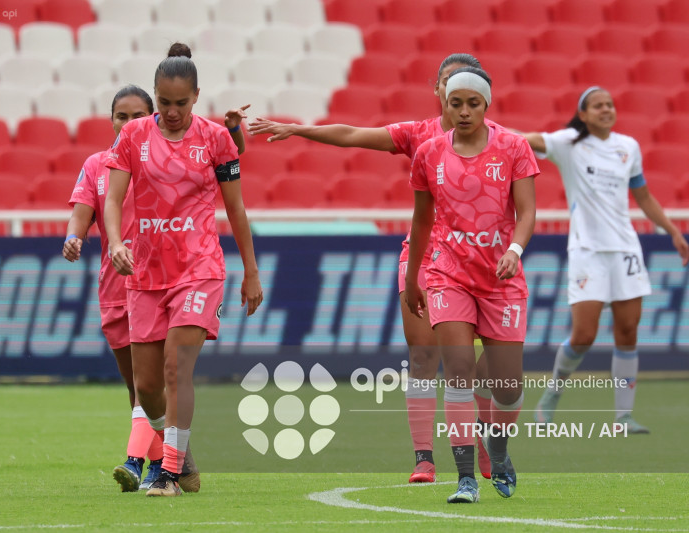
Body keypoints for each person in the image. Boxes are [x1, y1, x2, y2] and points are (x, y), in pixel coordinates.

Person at [248, 53, 496, 484]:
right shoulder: (419, 135)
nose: (454, 94)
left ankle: (486, 442)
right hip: (425, 258)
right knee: (423, 356)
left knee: (473, 363)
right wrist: (298, 129)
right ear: (437, 90)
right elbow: (351, 134)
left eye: (464, 86)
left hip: (478, 261)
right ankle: (424, 458)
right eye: (447, 83)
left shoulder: (499, 143)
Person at [64, 84, 249, 492]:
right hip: (128, 284)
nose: (128, 122)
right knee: (142, 388)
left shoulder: (180, 144)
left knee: (173, 369)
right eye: (120, 115)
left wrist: (235, 134)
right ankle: (174, 452)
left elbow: (224, 163)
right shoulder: (102, 162)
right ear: (111, 119)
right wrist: (85, 239)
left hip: (188, 271)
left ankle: (153, 466)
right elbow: (88, 211)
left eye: (136, 115)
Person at [104, 43, 263, 497]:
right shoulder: (133, 136)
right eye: (165, 102)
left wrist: (250, 271)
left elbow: (235, 208)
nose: (172, 112)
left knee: (177, 367)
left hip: (199, 268)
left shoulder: (215, 139)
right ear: (155, 96)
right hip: (145, 272)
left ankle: (168, 473)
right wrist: (116, 242)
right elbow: (113, 199)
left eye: (181, 103)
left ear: (196, 97)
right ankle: (182, 454)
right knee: (148, 387)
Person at [521, 86, 689, 434]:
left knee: (627, 331)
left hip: (625, 250)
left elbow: (642, 195)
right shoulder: (568, 143)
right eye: (597, 106)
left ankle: (623, 416)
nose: (605, 110)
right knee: (584, 334)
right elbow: (529, 140)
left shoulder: (628, 147)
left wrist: (671, 230)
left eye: (609, 105)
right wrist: (483, 128)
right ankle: (551, 394)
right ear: (582, 114)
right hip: (587, 251)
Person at [405, 66, 538, 503]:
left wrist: (514, 251)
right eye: (455, 102)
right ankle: (466, 478)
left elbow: (526, 212)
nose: (463, 111)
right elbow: (422, 220)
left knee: (508, 386)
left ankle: (497, 447)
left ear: (487, 105)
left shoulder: (514, 148)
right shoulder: (428, 152)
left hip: (500, 276)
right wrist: (413, 277)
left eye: (472, 103)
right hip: (448, 273)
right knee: (458, 370)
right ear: (444, 103)